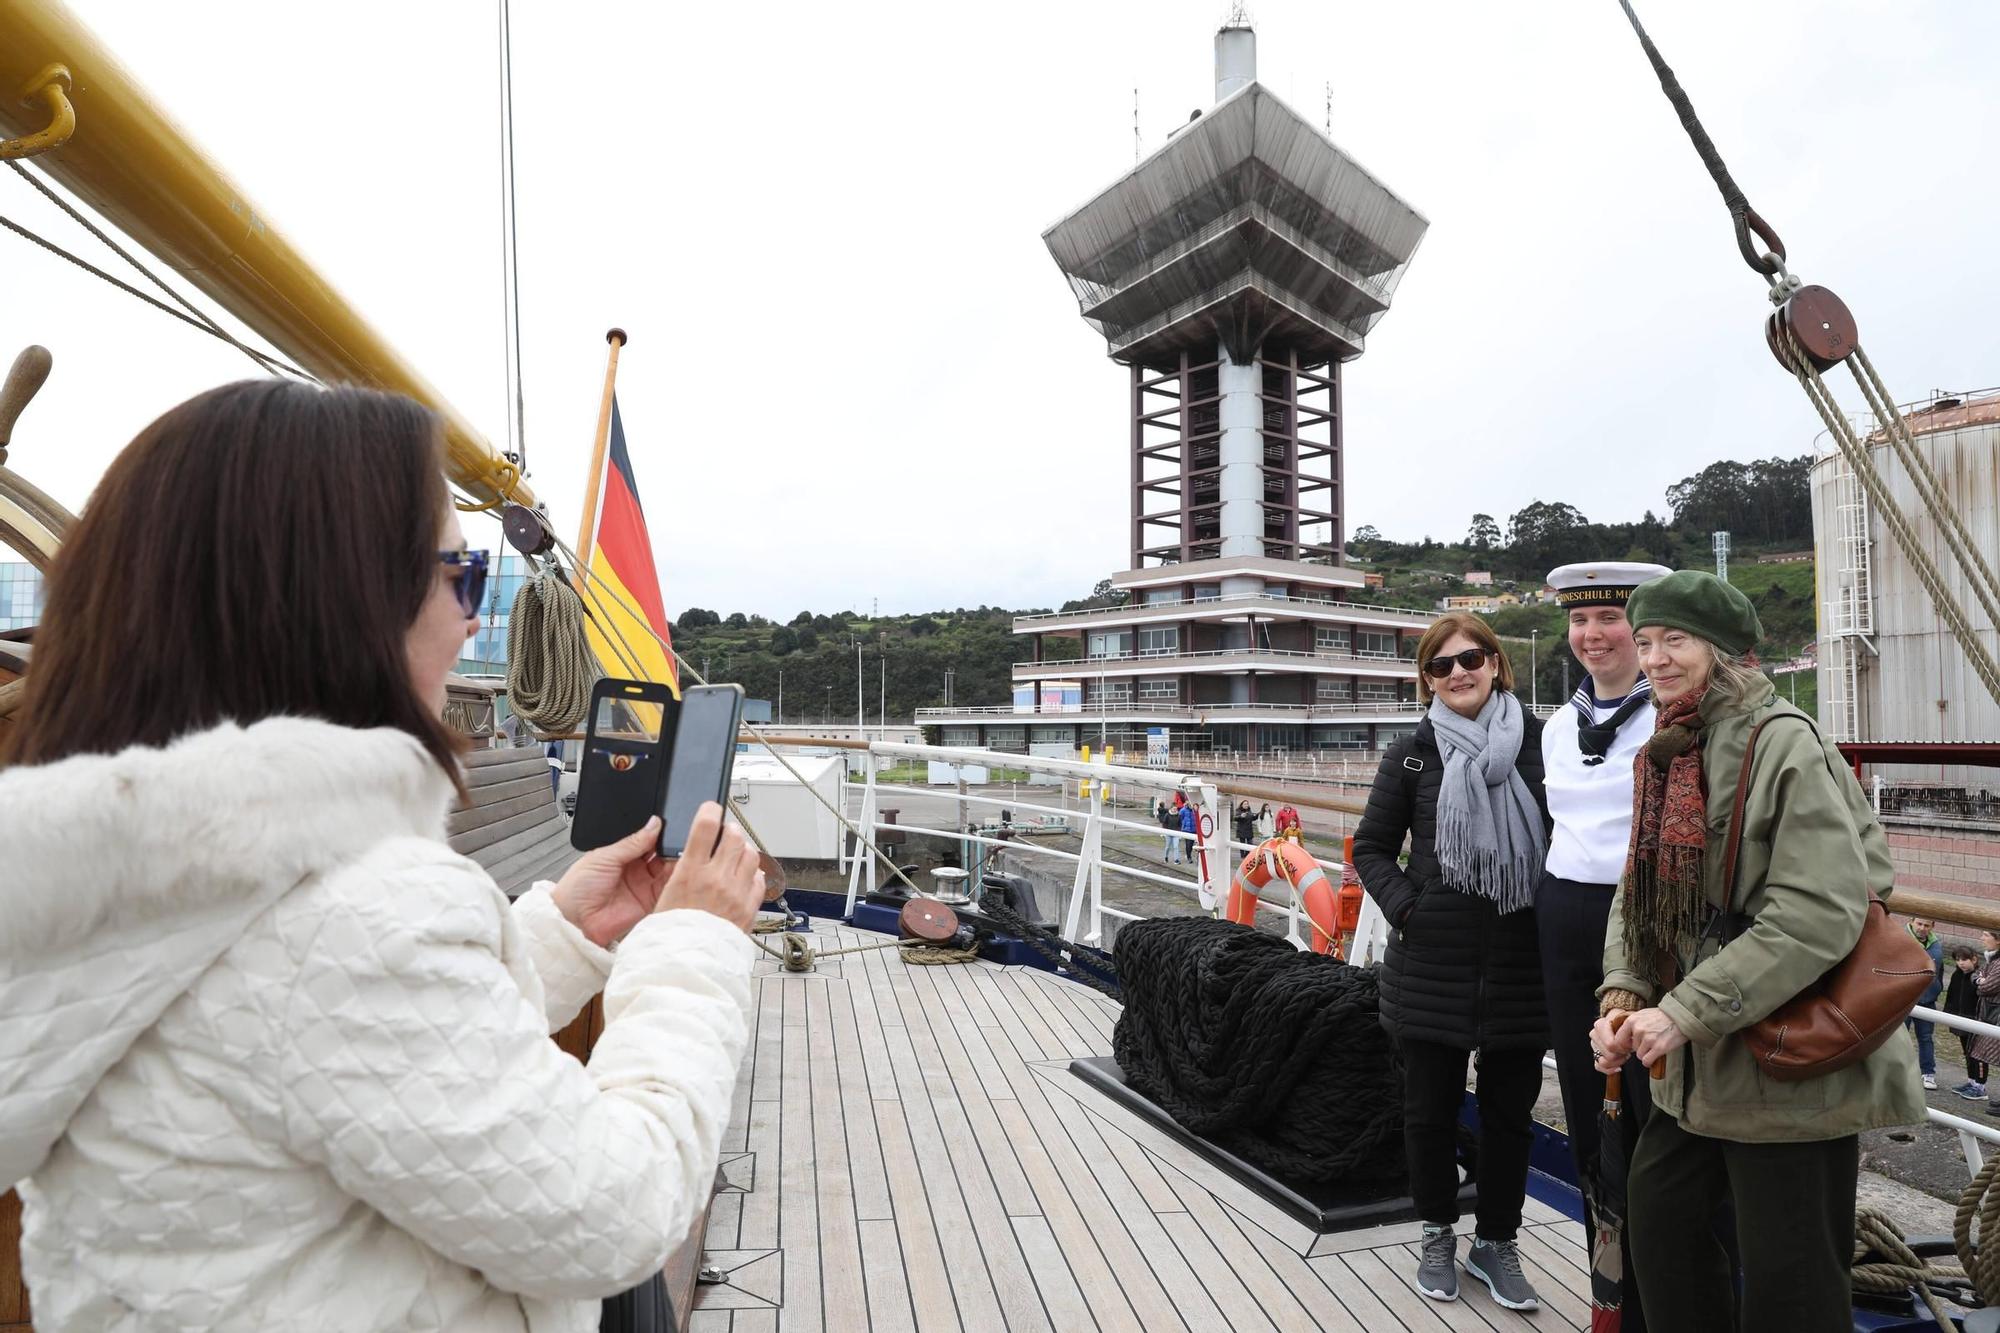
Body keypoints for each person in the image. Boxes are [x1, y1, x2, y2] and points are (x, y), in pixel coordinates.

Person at [0, 381, 767, 1331]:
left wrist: (561, 934)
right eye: (461, 576)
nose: (474, 621)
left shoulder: (123, 882)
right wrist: (692, 946)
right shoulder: (347, 914)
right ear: (340, 599)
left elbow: (312, 1040)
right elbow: (615, 1211)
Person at [1590, 570, 1924, 1332]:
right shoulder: (1671, 745)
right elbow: (1638, 889)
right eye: (1646, 641)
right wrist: (1625, 990)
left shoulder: (1783, 745)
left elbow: (1818, 911)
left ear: (1722, 650)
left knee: (1793, 1284)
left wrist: (1684, 1011)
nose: (1656, 657)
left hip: (1787, 1068)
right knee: (1663, 1229)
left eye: (1675, 639)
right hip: (1702, 1063)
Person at [1352, 612, 1550, 1311]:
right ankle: (1437, 1232)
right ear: (1426, 678)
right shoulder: (1410, 754)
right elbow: (1370, 847)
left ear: (1497, 663)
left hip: (1522, 967)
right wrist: (1411, 908)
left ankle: (1497, 1242)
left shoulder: (1541, 747)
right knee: (1428, 1114)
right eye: (1442, 665)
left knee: (1509, 1117)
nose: (1458, 672)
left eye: (1471, 658)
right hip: (1430, 967)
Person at [1533, 561, 1669, 1325]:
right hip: (1564, 917)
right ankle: (1608, 1284)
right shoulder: (1557, 727)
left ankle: (1663, 1291)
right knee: (1589, 1106)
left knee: (1652, 1106)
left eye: (1610, 618)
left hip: (1644, 919)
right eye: (1580, 621)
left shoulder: (1670, 720)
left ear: (1640, 630)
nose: (1593, 634)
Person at [1905, 916, 1944, 1090]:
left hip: (1927, 1000)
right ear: (1912, 921)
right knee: (1898, 1036)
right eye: (1919, 924)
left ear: (1933, 926)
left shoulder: (1936, 946)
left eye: (1927, 925)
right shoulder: (1901, 939)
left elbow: (1939, 972)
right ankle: (1898, 1071)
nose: (1922, 928)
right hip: (1903, 1000)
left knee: (1926, 1038)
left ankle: (1928, 1073)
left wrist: (1936, 989)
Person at [1945, 946, 1986, 1099]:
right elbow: (1951, 995)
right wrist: (1948, 1014)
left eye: (1964, 959)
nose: (1961, 963)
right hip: (1959, 1018)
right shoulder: (1957, 975)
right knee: (1967, 1053)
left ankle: (1980, 1087)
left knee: (1978, 1055)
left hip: (1974, 1020)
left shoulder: (1977, 976)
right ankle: (1971, 1081)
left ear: (1974, 959)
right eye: (1958, 960)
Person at [1157, 797, 1182, 863]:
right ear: (1171, 809)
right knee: (1168, 846)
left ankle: (1176, 859)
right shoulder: (1167, 815)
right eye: (1174, 809)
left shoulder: (1178, 815)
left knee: (1176, 846)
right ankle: (1166, 857)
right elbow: (1164, 823)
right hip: (1168, 833)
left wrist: (1179, 833)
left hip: (1176, 833)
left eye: (1176, 809)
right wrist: (1164, 832)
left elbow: (1180, 825)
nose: (1175, 810)